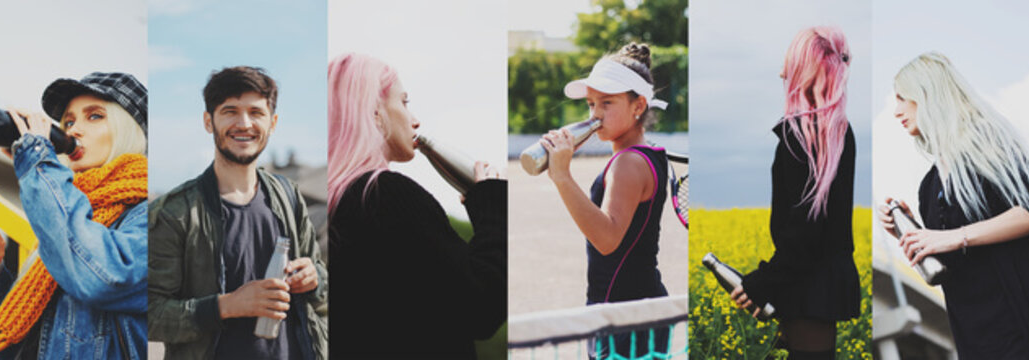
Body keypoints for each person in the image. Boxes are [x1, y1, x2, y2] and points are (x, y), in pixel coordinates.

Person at [324, 53, 507, 358]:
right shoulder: (387, 195)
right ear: (374, 113)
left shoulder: (335, 203)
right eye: (404, 102)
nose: (415, 120)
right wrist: (494, 216)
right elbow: (480, 307)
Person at [876, 52, 1029, 359]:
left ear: (928, 94)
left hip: (1019, 322)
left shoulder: (987, 141)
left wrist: (956, 235)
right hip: (973, 335)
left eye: (903, 98)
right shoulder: (929, 186)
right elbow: (947, 270)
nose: (896, 111)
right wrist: (911, 233)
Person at [147, 66, 328, 360]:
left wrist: (314, 278)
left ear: (273, 122)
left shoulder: (289, 196)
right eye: (230, 111)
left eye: (256, 112)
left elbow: (323, 286)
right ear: (209, 121)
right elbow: (149, 313)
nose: (244, 123)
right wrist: (227, 305)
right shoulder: (174, 212)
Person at [0, 72, 151, 359]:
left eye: (95, 116)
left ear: (128, 129)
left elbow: (103, 277)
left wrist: (38, 163)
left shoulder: (149, 217)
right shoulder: (65, 210)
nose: (74, 130)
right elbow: (15, 351)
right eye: (69, 121)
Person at [727, 26, 858, 360]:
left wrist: (760, 283)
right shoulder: (837, 132)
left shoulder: (799, 136)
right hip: (818, 287)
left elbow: (805, 232)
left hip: (807, 288)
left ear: (804, 68)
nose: (781, 72)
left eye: (789, 63)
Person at [539, 42, 671, 359]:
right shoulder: (646, 154)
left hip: (625, 319)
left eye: (606, 103)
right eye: (590, 104)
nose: (595, 114)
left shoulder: (628, 163)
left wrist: (562, 176)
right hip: (636, 310)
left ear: (638, 106)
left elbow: (607, 239)